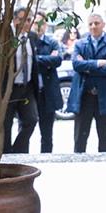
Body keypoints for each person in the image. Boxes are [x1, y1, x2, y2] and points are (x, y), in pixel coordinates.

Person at [65, 12, 106, 152]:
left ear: (103, 25)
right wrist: (98, 63)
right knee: (80, 138)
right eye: (90, 24)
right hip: (84, 96)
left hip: (105, 97)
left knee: (104, 138)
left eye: (96, 23)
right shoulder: (80, 44)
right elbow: (76, 65)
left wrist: (86, 66)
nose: (93, 26)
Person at [3, 7, 39, 153]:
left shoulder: (32, 37)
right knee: (6, 124)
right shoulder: (6, 39)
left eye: (29, 20)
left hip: (27, 87)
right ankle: (5, 154)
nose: (26, 23)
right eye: (22, 19)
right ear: (15, 20)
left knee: (31, 120)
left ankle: (18, 151)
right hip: (10, 88)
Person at [31, 16, 64, 153]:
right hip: (30, 92)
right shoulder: (26, 41)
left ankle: (46, 157)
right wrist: (46, 61)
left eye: (41, 22)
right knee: (26, 126)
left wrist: (35, 60)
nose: (38, 25)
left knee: (47, 133)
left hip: (47, 93)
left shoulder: (52, 42)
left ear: (45, 25)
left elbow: (57, 60)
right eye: (35, 22)